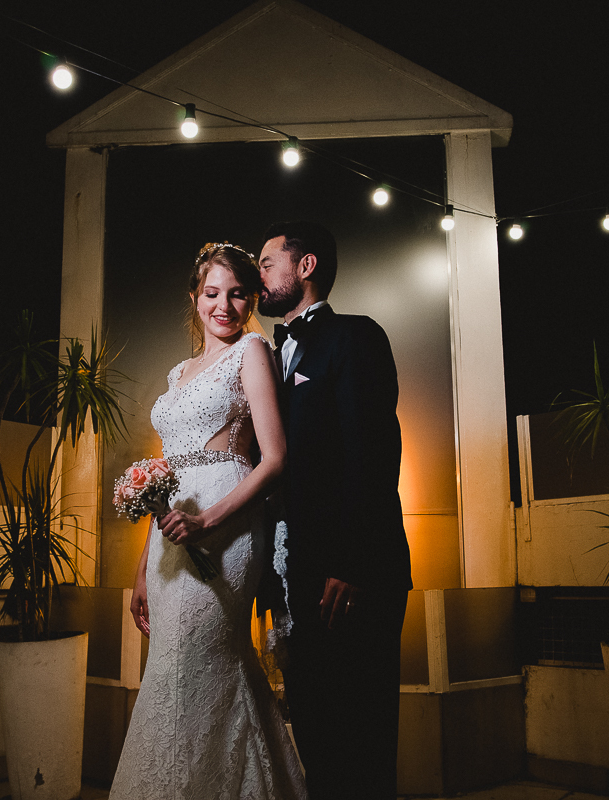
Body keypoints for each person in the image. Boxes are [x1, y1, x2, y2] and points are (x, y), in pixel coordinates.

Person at [110, 242, 307, 800]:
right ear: (195, 297)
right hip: (171, 534)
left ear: (251, 301)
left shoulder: (252, 350)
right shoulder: (178, 372)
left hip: (228, 526)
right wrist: (143, 569)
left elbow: (275, 459)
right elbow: (165, 477)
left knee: (205, 658)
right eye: (212, 293)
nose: (224, 305)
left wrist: (209, 522)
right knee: (168, 667)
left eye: (237, 294)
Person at [258, 221, 413, 800]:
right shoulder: (266, 356)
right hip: (295, 575)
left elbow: (374, 451)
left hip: (352, 576)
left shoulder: (355, 336)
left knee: (362, 734)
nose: (259, 274)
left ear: (306, 266)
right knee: (315, 728)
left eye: (267, 262)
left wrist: (351, 563)